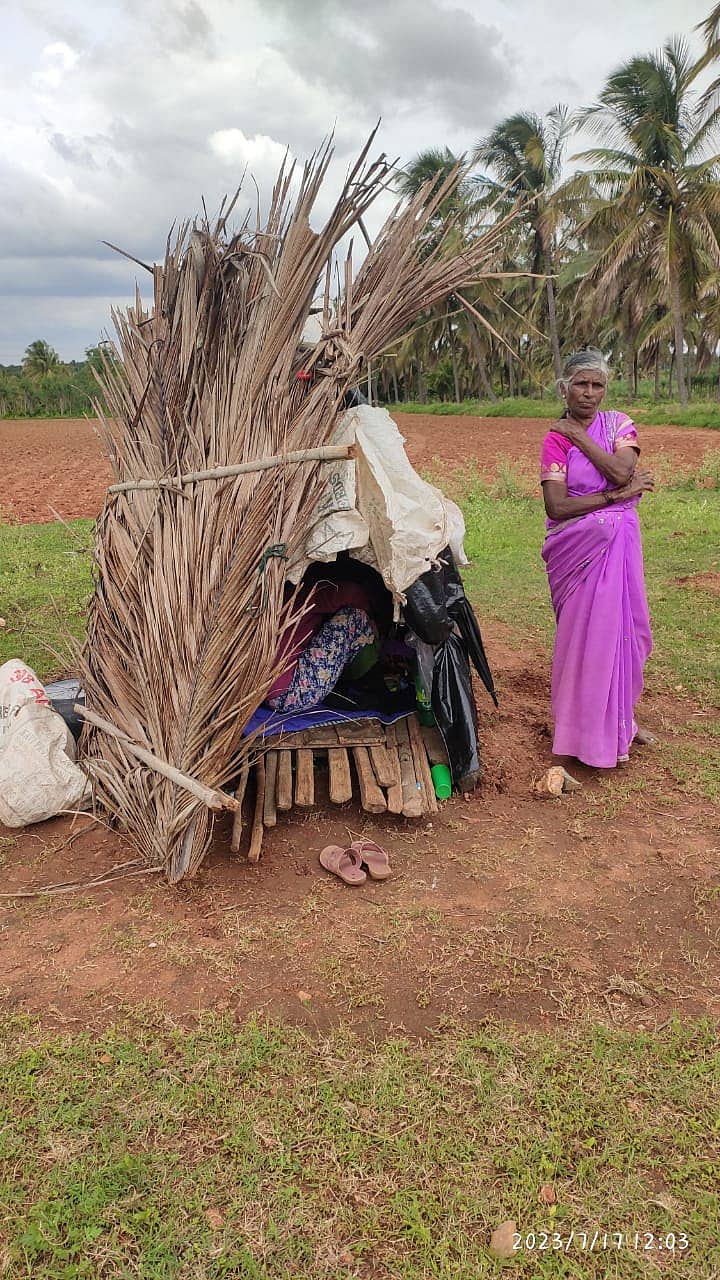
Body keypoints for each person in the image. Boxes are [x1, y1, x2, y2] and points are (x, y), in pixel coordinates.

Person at [540, 349, 654, 768]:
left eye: (597, 385)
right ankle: (579, 734)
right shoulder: (553, 440)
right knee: (584, 644)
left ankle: (623, 723)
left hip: (620, 548)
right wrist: (612, 498)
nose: (589, 393)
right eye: (581, 384)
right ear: (564, 387)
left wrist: (580, 435)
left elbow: (624, 471)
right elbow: (557, 507)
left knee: (628, 634)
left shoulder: (619, 424)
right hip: (578, 555)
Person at [266, 574, 380, 714]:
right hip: (294, 691)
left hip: (271, 697)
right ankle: (370, 679)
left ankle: (335, 684)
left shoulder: (273, 604)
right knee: (355, 616)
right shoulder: (305, 594)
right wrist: (373, 618)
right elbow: (351, 592)